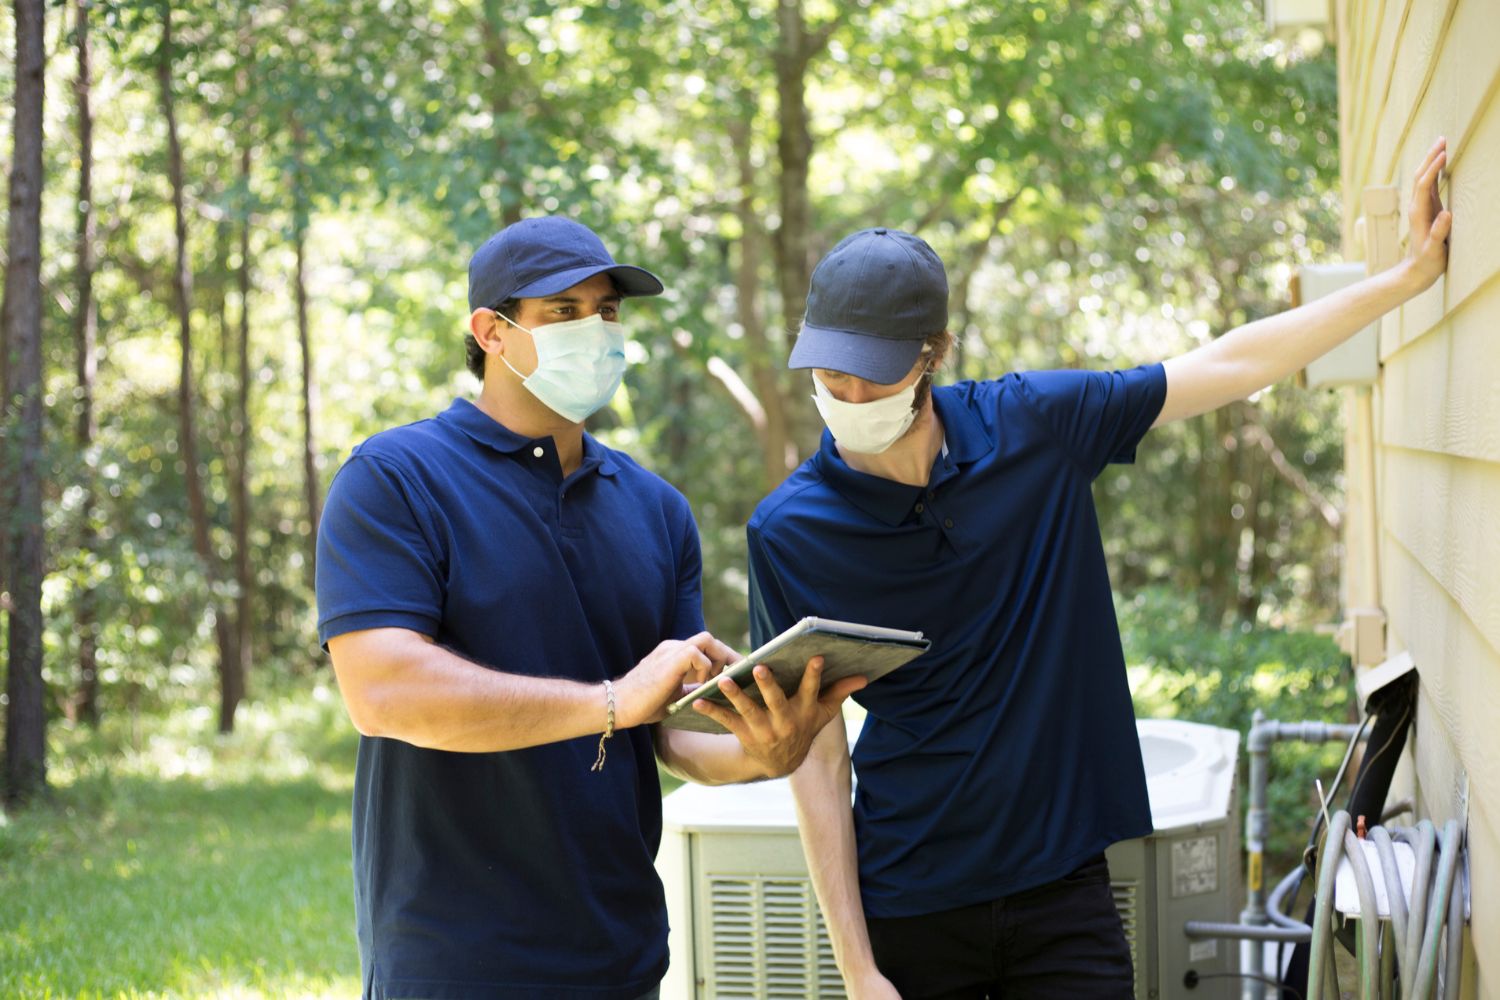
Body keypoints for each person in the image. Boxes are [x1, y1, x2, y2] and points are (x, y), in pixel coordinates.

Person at [750, 137, 1453, 999]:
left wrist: (1407, 280)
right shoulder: (787, 531)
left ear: (933, 354)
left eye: (871, 373)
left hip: (1062, 890)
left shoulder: (1036, 428)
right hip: (908, 902)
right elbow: (818, 760)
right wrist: (857, 969)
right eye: (828, 371)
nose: (847, 395)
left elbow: (1227, 365)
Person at [315, 215, 864, 1000]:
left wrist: (761, 755)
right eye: (563, 312)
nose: (596, 331)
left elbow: (671, 730)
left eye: (606, 311)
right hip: (453, 961)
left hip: (623, 958)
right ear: (491, 333)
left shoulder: (656, 508)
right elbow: (384, 693)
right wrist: (610, 702)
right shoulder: (395, 479)